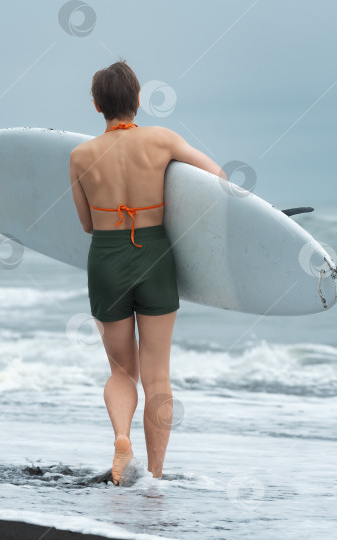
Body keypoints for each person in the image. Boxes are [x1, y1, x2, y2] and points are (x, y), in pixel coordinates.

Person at [69, 60, 227, 485]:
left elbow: (86, 224)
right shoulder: (162, 140)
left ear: (97, 104)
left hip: (106, 259)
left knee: (123, 372)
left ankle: (122, 436)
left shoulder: (80, 155)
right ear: (139, 99)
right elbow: (217, 178)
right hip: (155, 254)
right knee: (158, 374)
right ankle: (154, 476)